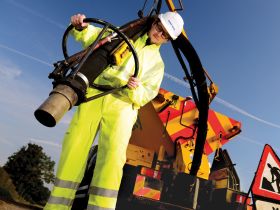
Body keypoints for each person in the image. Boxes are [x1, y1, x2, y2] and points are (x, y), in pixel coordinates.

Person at [44, 11, 184, 210]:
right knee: (74, 148)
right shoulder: (123, 35)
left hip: (123, 108)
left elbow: (147, 94)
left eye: (165, 34)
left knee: (111, 160)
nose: (159, 33)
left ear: (168, 40)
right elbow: (94, 38)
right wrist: (80, 27)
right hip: (94, 96)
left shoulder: (158, 65)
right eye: (159, 27)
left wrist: (136, 88)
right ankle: (56, 207)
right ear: (155, 22)